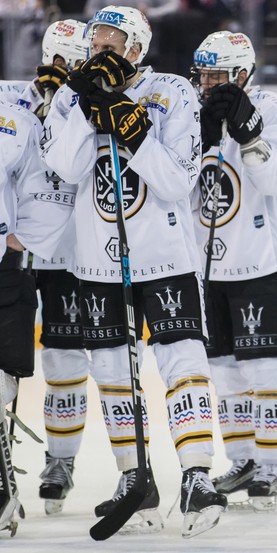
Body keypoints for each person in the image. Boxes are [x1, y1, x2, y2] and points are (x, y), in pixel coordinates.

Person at [41, 5, 227, 537]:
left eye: (110, 46)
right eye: (94, 46)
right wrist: (84, 102)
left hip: (165, 255)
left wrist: (131, 124)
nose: (99, 55)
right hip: (99, 260)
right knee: (111, 374)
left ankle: (197, 477)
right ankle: (135, 477)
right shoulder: (71, 95)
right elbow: (68, 167)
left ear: (137, 50)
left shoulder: (174, 92)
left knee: (182, 362)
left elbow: (175, 180)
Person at [189, 30, 277, 512]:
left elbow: (276, 178)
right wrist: (201, 139)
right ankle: (242, 460)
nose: (207, 83)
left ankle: (273, 467)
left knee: (267, 366)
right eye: (202, 74)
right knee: (224, 370)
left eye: (216, 75)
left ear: (241, 74)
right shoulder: (189, 113)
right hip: (207, 262)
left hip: (263, 260)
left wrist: (247, 130)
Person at [8, 19, 94, 517]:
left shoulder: (93, 103)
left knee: (64, 360)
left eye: (74, 61)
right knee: (7, 366)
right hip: (14, 251)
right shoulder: (15, 98)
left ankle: (60, 461)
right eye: (58, 59)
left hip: (69, 253)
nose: (64, 70)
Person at [0, 97, 75, 537]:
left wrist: (21, 238)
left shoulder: (13, 118)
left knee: (3, 380)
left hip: (4, 272)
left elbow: (49, 184)